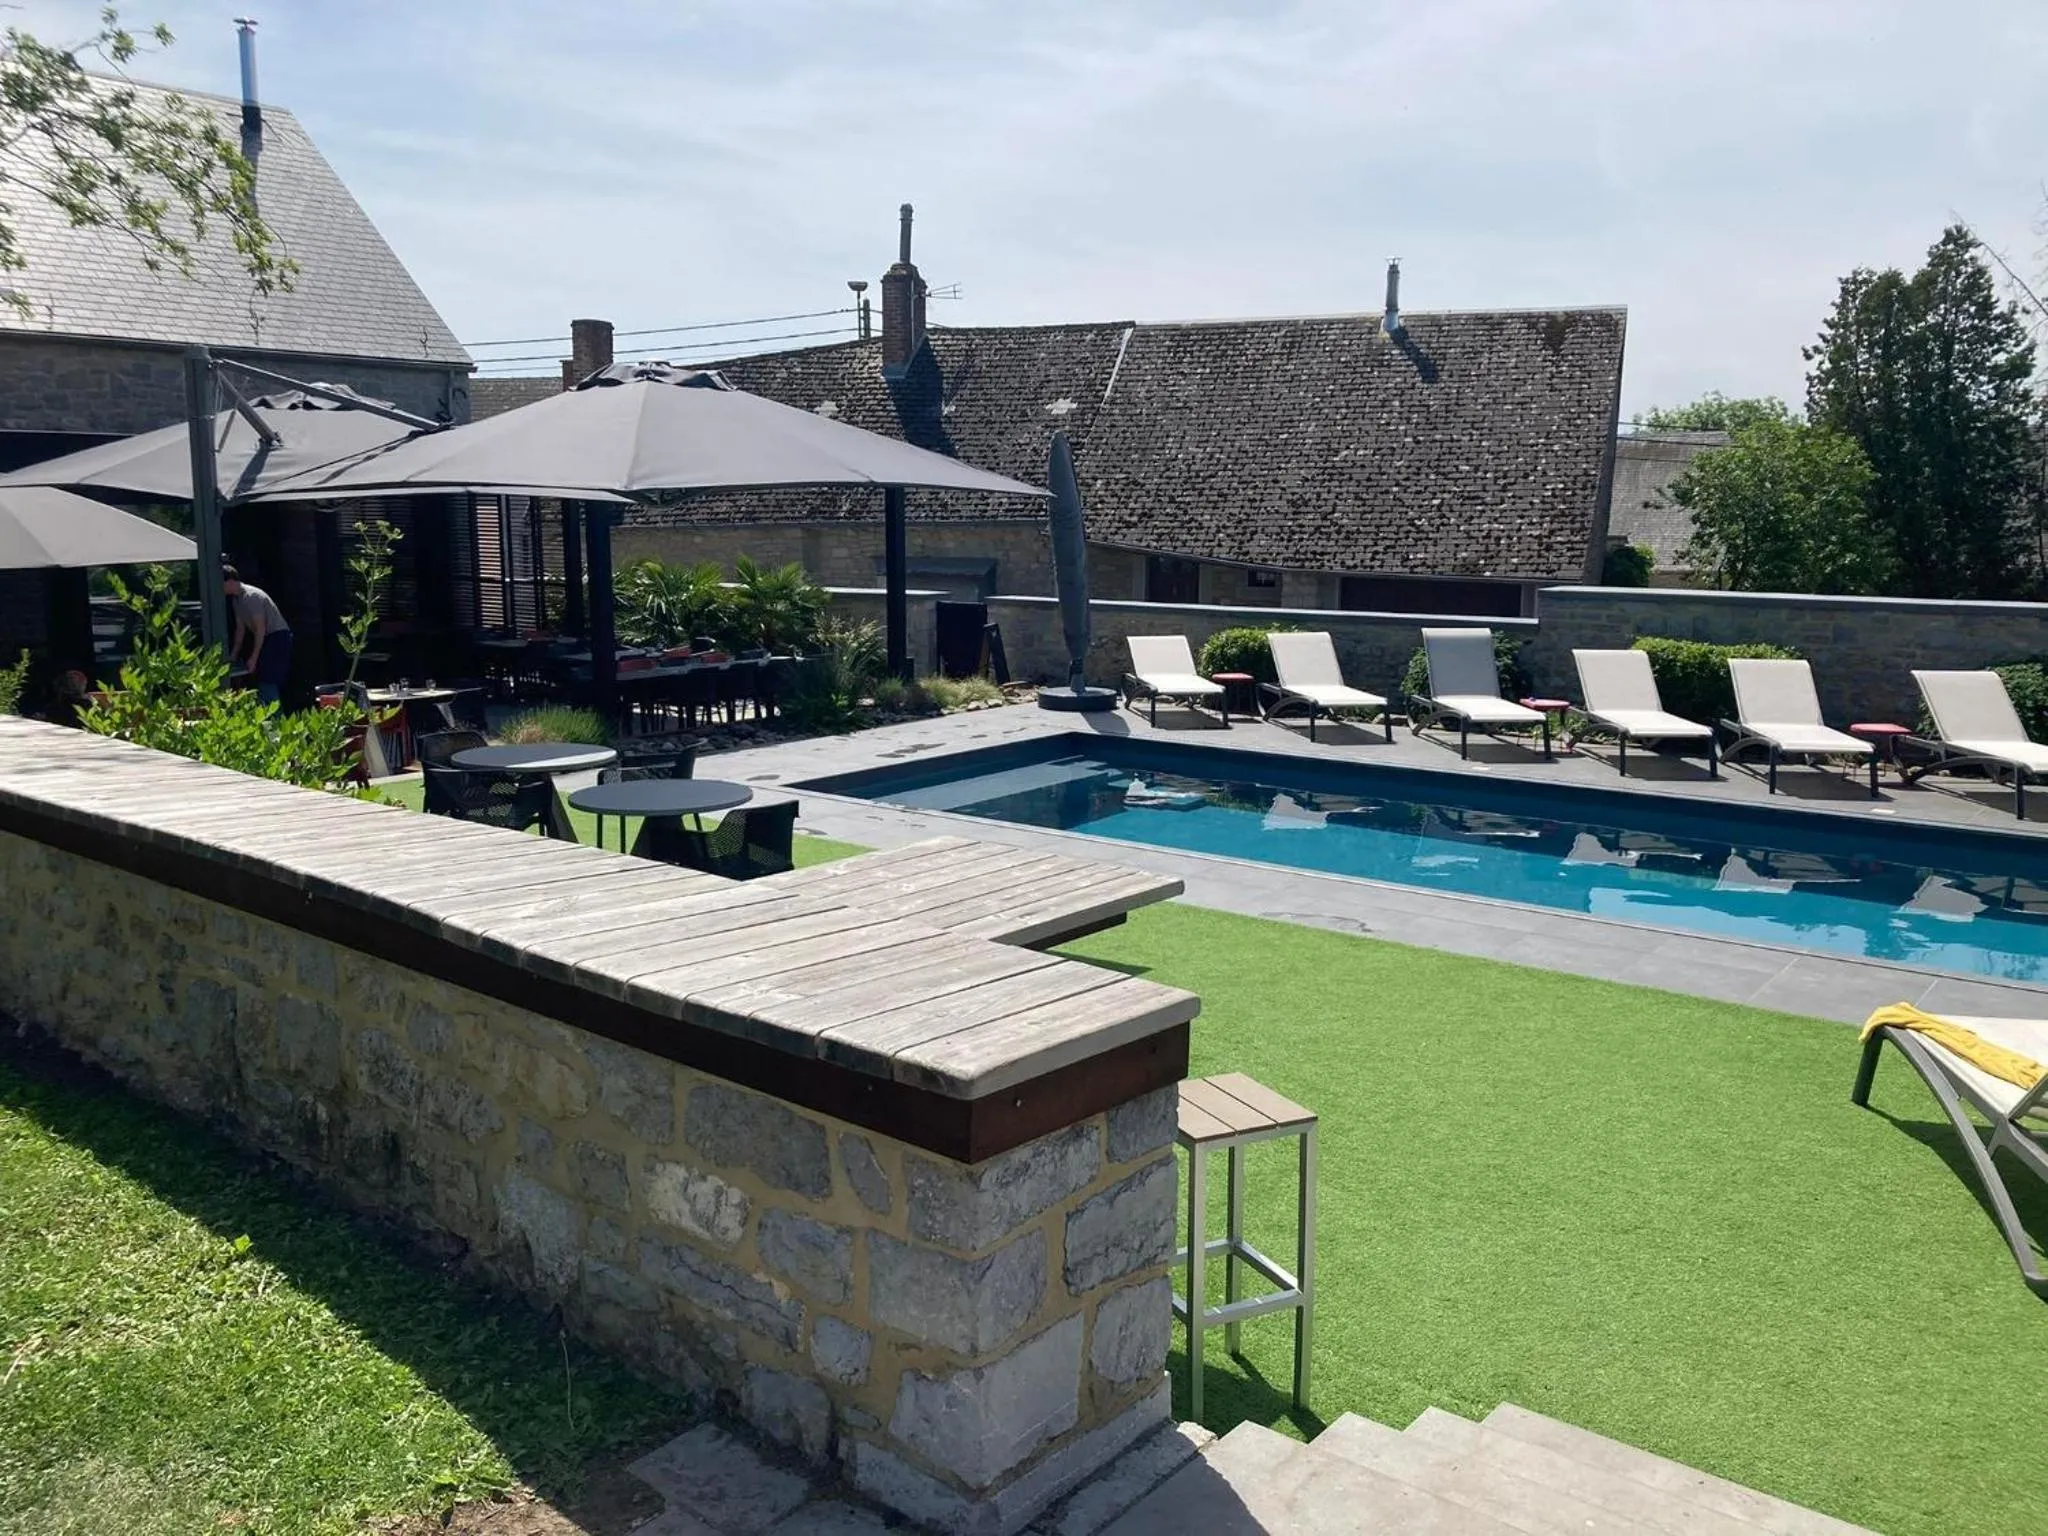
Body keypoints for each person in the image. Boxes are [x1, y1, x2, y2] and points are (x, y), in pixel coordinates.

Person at [224, 566, 293, 705]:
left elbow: (260, 628)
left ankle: (276, 717)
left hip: (277, 637)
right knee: (262, 678)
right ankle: (270, 711)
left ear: (230, 581)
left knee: (268, 679)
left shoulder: (252, 596)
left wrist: (254, 658)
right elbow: (240, 629)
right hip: (266, 639)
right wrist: (233, 656)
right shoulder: (236, 600)